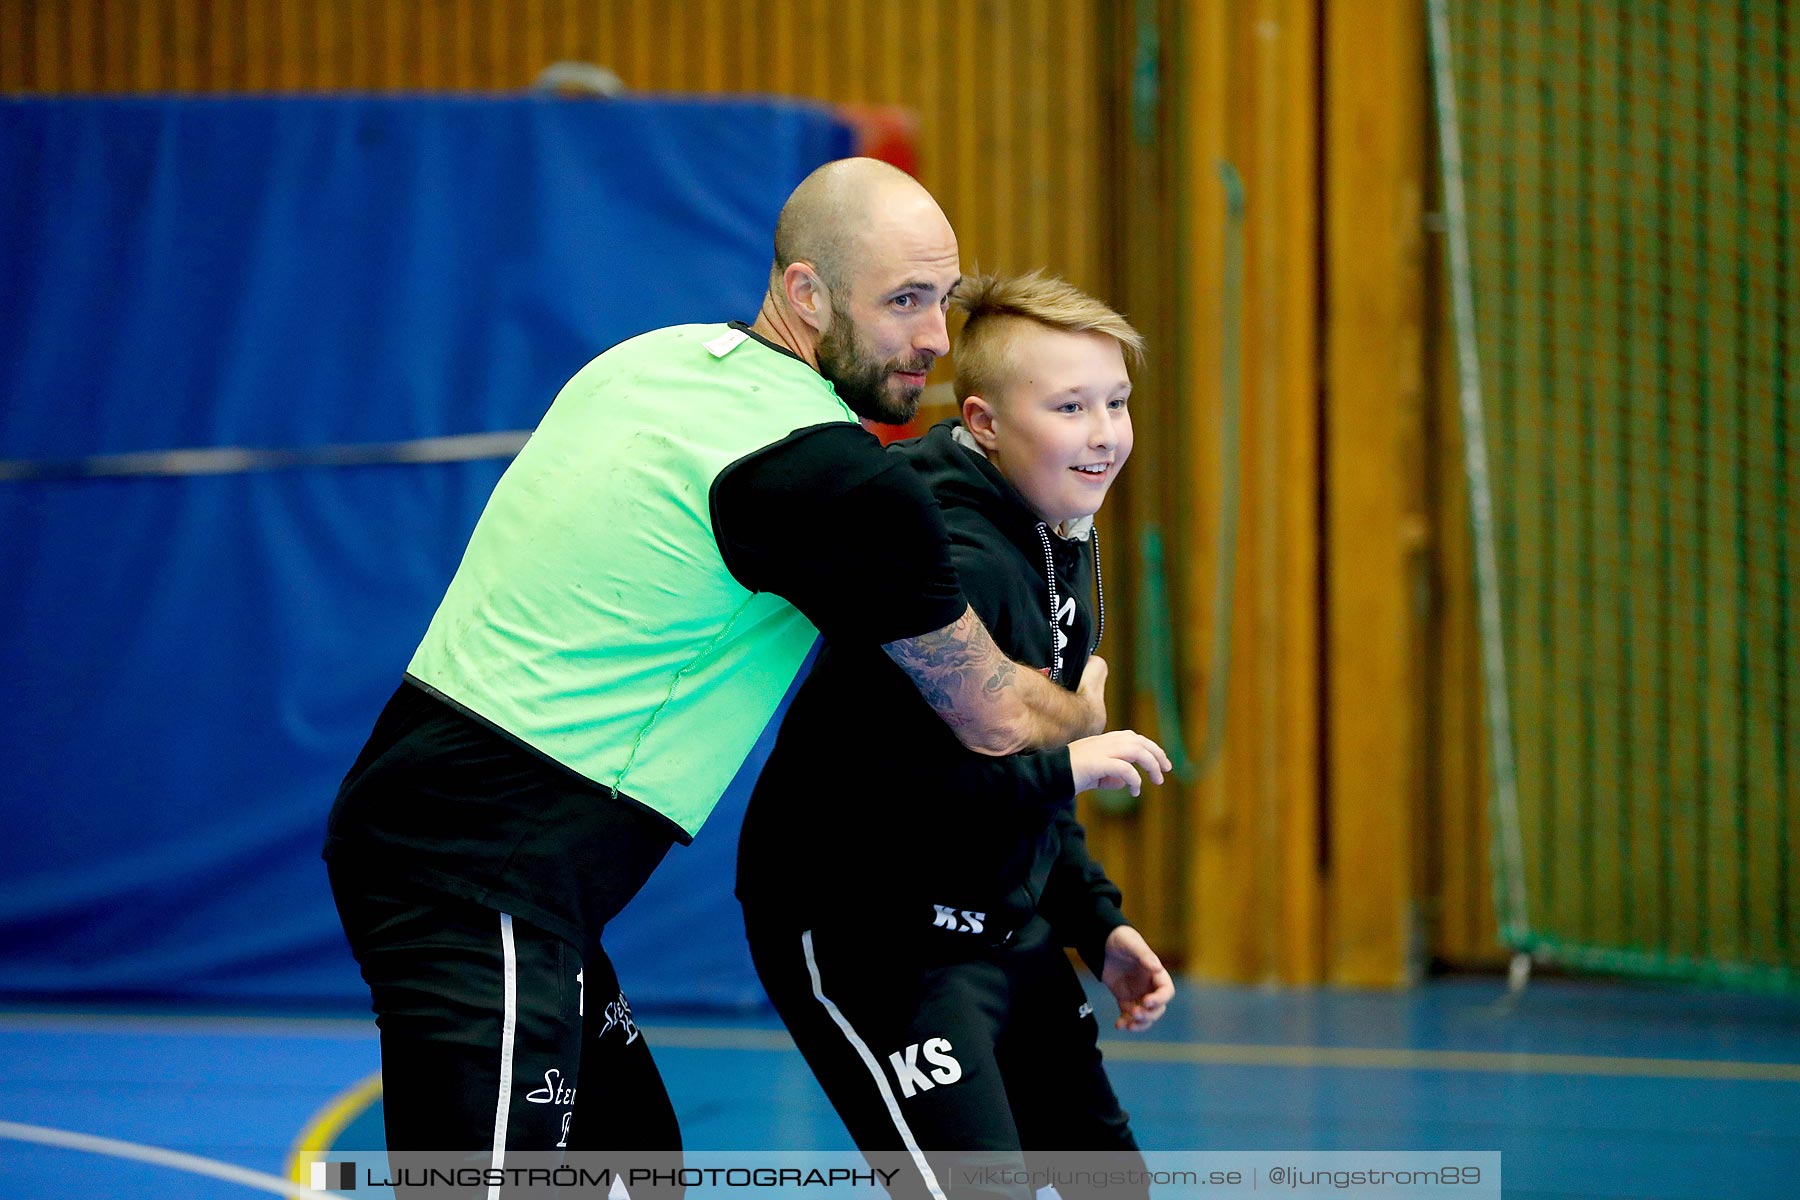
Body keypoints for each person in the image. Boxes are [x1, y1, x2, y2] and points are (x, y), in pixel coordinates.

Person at [322, 159, 1169, 1180]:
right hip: (483, 877)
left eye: (941, 301)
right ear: (806, 294)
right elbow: (988, 711)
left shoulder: (657, 359)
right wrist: (1076, 714)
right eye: (902, 302)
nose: (935, 339)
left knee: (637, 1168)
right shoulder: (829, 474)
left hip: (461, 845)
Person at [738, 271, 1175, 1200]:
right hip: (872, 931)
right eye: (1069, 406)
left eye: (1117, 402)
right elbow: (901, 795)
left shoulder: (1060, 523)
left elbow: (1016, 775)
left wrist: (1096, 922)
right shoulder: (957, 562)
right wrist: (1069, 765)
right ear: (982, 422)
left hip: (999, 921)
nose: (1104, 433)